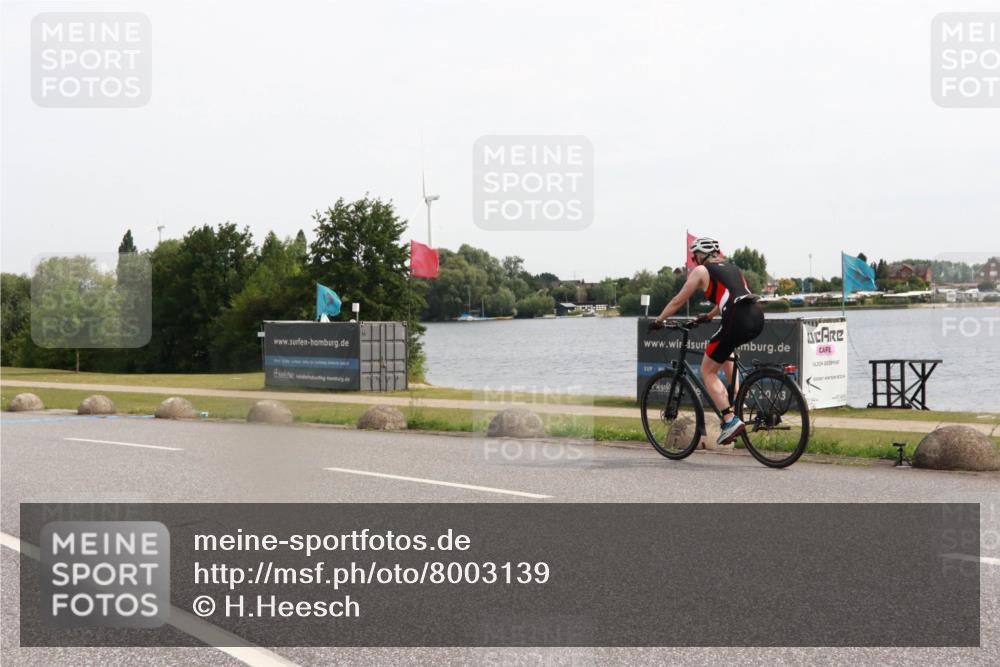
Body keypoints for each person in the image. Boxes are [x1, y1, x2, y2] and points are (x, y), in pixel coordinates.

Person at [648, 237, 764, 445]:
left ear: (701, 254)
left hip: (736, 318)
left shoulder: (702, 271)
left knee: (707, 371)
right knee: (725, 353)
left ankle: (730, 421)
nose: (693, 260)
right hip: (756, 316)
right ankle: (740, 400)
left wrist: (659, 320)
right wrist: (709, 316)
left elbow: (678, 300)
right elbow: (730, 296)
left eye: (694, 257)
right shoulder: (733, 268)